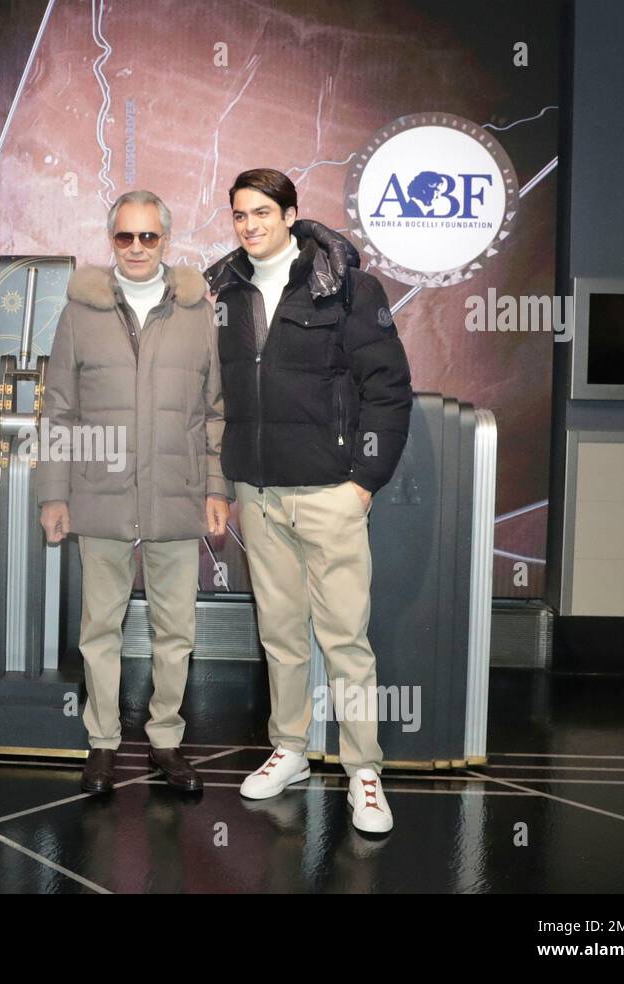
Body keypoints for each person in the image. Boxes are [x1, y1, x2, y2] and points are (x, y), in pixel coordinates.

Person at [206, 169, 413, 834]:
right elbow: (218, 398)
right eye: (240, 214)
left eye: (262, 211)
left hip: (330, 493)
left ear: (291, 213)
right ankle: (290, 748)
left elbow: (388, 386)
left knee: (345, 638)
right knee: (282, 635)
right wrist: (226, 481)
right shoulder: (224, 291)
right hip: (258, 494)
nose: (250, 224)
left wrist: (363, 482)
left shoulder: (348, 285)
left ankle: (364, 771)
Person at [36, 190, 230, 795]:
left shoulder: (198, 312)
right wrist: (53, 494)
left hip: (178, 495)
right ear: (111, 241)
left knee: (177, 631)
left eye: (149, 237)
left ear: (166, 241)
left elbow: (213, 410)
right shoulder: (80, 313)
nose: (138, 248)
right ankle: (101, 743)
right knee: (101, 629)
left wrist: (216, 487)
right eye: (126, 237)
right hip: (100, 498)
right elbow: (59, 412)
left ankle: (167, 741)